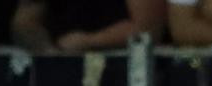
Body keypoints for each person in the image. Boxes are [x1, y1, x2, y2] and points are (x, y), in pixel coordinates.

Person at [9, 0, 166, 52]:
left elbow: (147, 29)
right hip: (59, 78)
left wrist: (89, 41)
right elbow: (25, 22)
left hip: (122, 79)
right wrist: (49, 51)